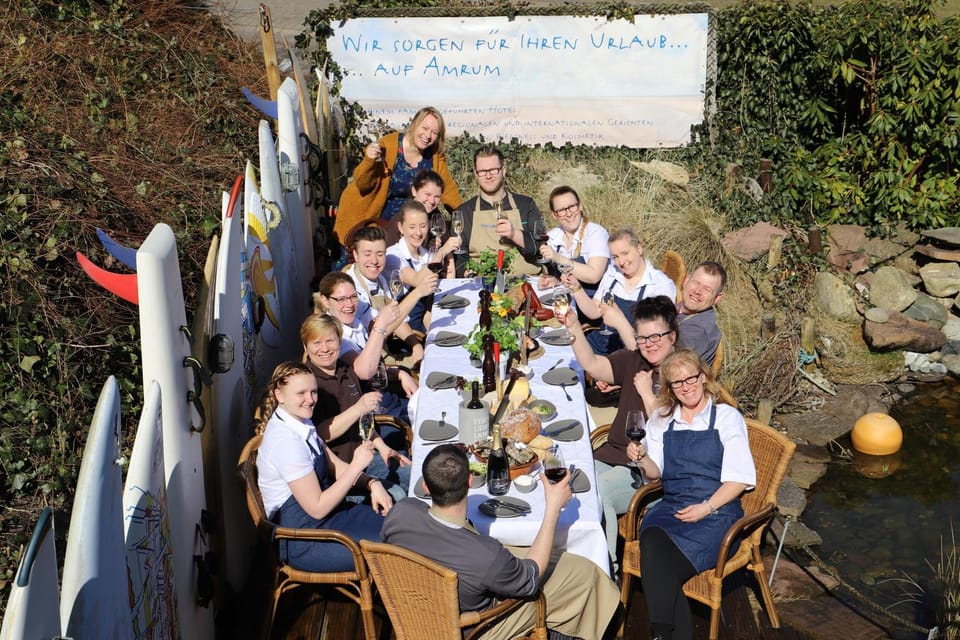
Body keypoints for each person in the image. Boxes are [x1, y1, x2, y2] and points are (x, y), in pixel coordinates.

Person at [382, 444, 619, 640]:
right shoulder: (485, 555)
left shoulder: (400, 512)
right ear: (470, 482)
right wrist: (553, 508)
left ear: (425, 486)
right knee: (583, 577)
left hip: (415, 612)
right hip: (473, 628)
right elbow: (531, 578)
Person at [626, 349, 755, 640]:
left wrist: (706, 508)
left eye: (691, 378)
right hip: (673, 506)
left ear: (703, 377)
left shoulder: (726, 417)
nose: (686, 387)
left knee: (663, 570)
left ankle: (660, 634)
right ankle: (663, 634)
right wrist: (642, 458)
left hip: (717, 511)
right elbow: (655, 474)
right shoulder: (662, 419)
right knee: (652, 537)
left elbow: (739, 480)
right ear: (669, 388)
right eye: (677, 382)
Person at [559, 295, 679, 569]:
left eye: (656, 337)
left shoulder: (681, 375)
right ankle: (573, 563)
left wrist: (645, 392)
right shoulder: (635, 359)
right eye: (643, 338)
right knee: (570, 481)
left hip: (647, 471)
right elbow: (592, 364)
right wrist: (574, 326)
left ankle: (607, 569)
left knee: (599, 493)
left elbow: (670, 429)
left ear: (672, 336)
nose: (649, 344)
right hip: (612, 453)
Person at [255, 361, 390, 572]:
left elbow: (335, 465)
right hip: (306, 540)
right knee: (395, 548)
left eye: (313, 392)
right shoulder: (285, 442)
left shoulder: (301, 421)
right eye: (301, 393)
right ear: (279, 395)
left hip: (333, 518)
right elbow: (317, 509)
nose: (310, 400)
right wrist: (356, 466)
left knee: (398, 525)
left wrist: (372, 483)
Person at [300, 314, 413, 503]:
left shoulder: (346, 370)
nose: (324, 349)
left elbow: (363, 420)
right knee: (397, 495)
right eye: (316, 343)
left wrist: (382, 447)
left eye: (330, 341)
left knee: (417, 474)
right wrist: (358, 409)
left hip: (367, 457)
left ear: (340, 341)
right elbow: (320, 435)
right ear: (305, 347)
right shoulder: (307, 383)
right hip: (340, 474)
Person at [334, 107, 462, 247]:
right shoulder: (388, 145)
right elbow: (363, 184)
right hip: (375, 218)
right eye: (424, 128)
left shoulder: (434, 155)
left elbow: (448, 190)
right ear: (414, 124)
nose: (428, 135)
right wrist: (369, 160)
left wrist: (463, 216)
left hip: (412, 224)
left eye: (434, 132)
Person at [565, 228, 676, 357]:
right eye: (615, 257)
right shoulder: (613, 272)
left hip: (630, 354)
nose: (621, 262)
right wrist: (576, 288)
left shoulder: (660, 286)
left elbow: (655, 342)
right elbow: (594, 312)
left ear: (639, 249)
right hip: (601, 344)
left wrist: (619, 322)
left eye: (625, 253)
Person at [342, 226, 434, 366]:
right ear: (355, 255)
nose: (374, 261)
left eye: (380, 254)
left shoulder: (380, 279)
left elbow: (396, 317)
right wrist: (417, 293)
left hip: (385, 352)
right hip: (364, 361)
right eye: (367, 254)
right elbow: (380, 331)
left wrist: (415, 345)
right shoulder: (351, 290)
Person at [453, 145, 546, 277]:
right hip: (482, 283)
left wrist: (514, 234)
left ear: (503, 170)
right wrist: (467, 273)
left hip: (526, 281)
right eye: (482, 171)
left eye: (493, 170)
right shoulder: (464, 211)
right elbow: (459, 256)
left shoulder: (526, 205)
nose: (488, 176)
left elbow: (540, 246)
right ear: (476, 174)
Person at [385, 199, 460, 331]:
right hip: (403, 328)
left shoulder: (425, 254)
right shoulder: (393, 255)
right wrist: (442, 252)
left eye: (423, 226)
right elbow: (417, 280)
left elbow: (440, 285)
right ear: (400, 228)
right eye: (412, 227)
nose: (418, 233)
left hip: (423, 324)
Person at [537, 185, 610, 297]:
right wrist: (556, 281)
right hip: (570, 300)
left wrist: (558, 258)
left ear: (580, 206)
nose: (569, 214)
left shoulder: (596, 233)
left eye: (572, 206)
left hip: (596, 301)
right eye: (561, 210)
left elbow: (594, 276)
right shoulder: (553, 237)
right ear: (554, 215)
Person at [676, 261, 726, 366]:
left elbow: (671, 368)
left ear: (717, 298)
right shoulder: (677, 305)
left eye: (707, 289)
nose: (698, 291)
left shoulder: (697, 332)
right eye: (696, 283)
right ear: (686, 280)